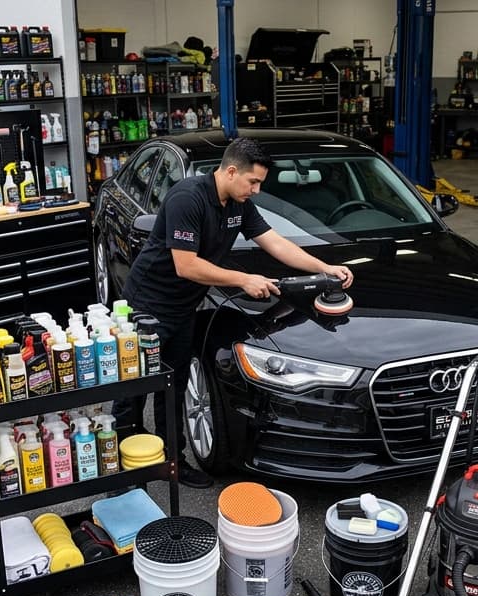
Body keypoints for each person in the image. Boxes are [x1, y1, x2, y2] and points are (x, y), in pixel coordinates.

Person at [113, 137, 353, 488]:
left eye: (260, 184)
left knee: (174, 385)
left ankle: (173, 463)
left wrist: (324, 267)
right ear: (230, 171)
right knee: (133, 389)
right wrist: (244, 279)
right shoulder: (188, 198)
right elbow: (186, 265)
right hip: (147, 306)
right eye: (253, 182)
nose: (256, 190)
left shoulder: (239, 204)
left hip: (182, 309)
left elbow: (275, 242)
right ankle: (127, 469)